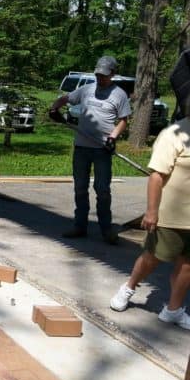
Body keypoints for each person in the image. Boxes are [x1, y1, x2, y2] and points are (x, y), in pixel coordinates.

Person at [109, 115, 190, 329]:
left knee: (187, 266)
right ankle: (129, 287)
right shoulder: (173, 134)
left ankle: (173, 310)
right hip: (171, 215)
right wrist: (152, 211)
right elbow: (156, 176)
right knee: (152, 257)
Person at [49, 56, 131, 244]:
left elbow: (123, 120)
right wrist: (54, 109)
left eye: (104, 75)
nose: (100, 78)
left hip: (102, 149)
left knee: (102, 190)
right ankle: (80, 226)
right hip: (81, 148)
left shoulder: (119, 94)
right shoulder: (86, 90)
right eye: (98, 75)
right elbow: (65, 98)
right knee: (80, 188)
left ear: (112, 74)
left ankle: (106, 230)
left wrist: (113, 137)